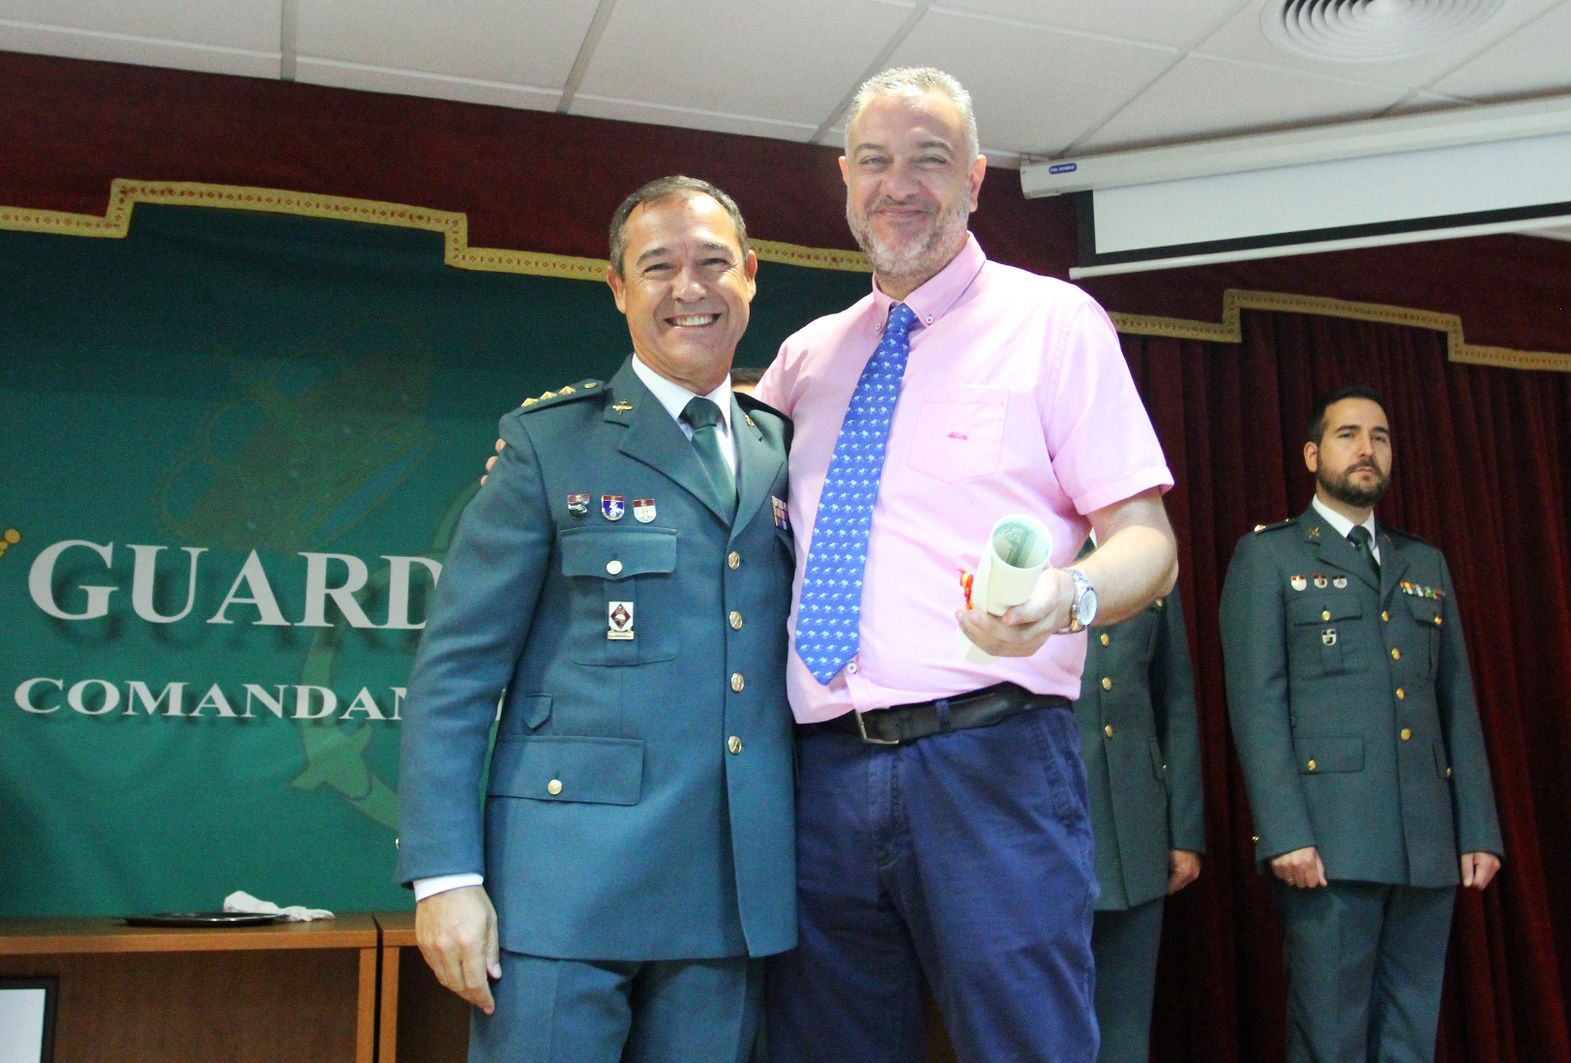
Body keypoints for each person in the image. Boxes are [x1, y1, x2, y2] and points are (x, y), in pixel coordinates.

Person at [755, 67, 1179, 1062]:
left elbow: (1146, 545)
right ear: (845, 180)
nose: (899, 184)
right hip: (820, 772)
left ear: (977, 179)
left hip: (989, 763)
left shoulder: (1054, 323)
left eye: (929, 160)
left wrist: (1064, 596)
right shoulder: (805, 357)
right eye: (875, 161)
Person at [396, 176, 797, 1063]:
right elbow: (456, 673)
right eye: (658, 268)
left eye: (713, 263)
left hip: (729, 896)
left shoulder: (783, 448)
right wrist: (445, 875)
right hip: (560, 892)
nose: (689, 288)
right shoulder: (549, 443)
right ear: (618, 288)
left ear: (752, 277)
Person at [1219, 384, 1502, 1063]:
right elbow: (1256, 703)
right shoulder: (1271, 557)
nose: (1367, 448)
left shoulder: (1422, 561)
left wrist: (1478, 827)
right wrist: (1283, 829)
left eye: (1379, 435)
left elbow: (1455, 700)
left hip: (1425, 838)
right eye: (1348, 434)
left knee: (1410, 1034)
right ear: (1314, 453)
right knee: (1331, 1038)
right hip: (1329, 841)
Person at [1074, 538, 1205, 1062]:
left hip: (1135, 821)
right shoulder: (1032, 537)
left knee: (1126, 1030)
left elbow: (1174, 697)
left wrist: (1185, 829)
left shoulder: (1147, 556)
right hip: (1051, 817)